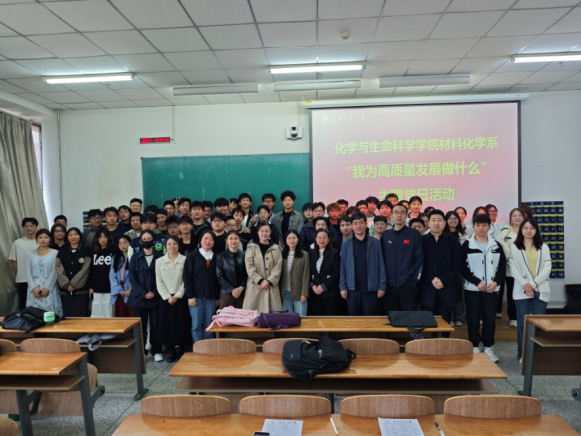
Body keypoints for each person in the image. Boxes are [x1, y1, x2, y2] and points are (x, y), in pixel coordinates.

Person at [461, 213, 506, 363]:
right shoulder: (467, 245)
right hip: (473, 289)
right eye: (478, 225)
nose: (481, 228)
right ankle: (474, 346)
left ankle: (488, 347)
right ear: (473, 227)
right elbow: (462, 267)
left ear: (489, 227)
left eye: (484, 225)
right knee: (473, 318)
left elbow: (502, 267)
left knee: (489, 319)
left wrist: (496, 282)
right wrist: (476, 282)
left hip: (492, 289)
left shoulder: (496, 245)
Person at [510, 218, 552, 362]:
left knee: (538, 322)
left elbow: (547, 268)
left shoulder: (544, 247)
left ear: (536, 230)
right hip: (521, 289)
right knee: (522, 322)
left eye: (532, 228)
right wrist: (526, 285)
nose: (528, 231)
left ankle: (537, 354)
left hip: (540, 287)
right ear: (521, 230)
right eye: (525, 228)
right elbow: (513, 268)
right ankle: (523, 354)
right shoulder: (515, 247)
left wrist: (532, 284)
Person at [418, 210, 461, 336]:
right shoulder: (421, 240)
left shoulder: (453, 241)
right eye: (433, 220)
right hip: (427, 287)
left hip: (447, 287)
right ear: (428, 223)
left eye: (439, 220)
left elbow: (456, 264)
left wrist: (443, 280)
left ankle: (444, 346)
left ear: (444, 223)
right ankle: (430, 346)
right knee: (428, 325)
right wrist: (431, 279)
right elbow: (417, 264)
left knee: (445, 324)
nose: (436, 223)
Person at [339, 212, 386, 316]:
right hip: (352, 289)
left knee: (370, 319)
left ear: (366, 224)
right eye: (355, 223)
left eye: (361, 223)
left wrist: (382, 286)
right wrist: (343, 287)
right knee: (354, 320)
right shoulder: (346, 243)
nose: (358, 226)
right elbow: (343, 267)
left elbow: (381, 265)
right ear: (352, 226)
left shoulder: (375, 242)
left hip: (371, 288)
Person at [128, 230, 163, 361]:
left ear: (153, 241)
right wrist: (143, 293)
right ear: (140, 241)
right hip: (139, 298)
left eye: (149, 239)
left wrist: (154, 292)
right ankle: (141, 351)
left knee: (156, 326)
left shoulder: (160, 257)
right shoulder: (135, 258)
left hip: (156, 297)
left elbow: (163, 278)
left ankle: (157, 350)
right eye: (144, 239)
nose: (146, 241)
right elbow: (132, 278)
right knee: (140, 327)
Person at [381, 204, 423, 312]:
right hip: (389, 286)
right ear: (392, 215)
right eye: (396, 212)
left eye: (402, 212)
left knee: (409, 317)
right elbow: (381, 260)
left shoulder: (414, 234)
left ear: (406, 215)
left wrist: (414, 281)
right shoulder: (385, 235)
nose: (399, 215)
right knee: (390, 317)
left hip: (408, 285)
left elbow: (419, 258)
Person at [156, 235, 189, 362]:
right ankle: (171, 350)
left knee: (182, 323)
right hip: (165, 299)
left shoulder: (185, 260)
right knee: (166, 325)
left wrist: (177, 295)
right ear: (165, 246)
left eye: (174, 243)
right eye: (169, 244)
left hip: (181, 297)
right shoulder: (159, 261)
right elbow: (158, 281)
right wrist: (167, 296)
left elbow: (186, 280)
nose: (172, 246)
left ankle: (181, 349)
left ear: (179, 245)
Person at [183, 231, 220, 343]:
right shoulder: (192, 256)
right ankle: (197, 347)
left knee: (209, 324)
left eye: (211, 239)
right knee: (196, 325)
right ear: (200, 240)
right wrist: (190, 296)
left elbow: (219, 279)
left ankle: (207, 348)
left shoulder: (217, 257)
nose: (208, 241)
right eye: (205, 238)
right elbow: (187, 277)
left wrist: (217, 297)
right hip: (196, 297)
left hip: (211, 297)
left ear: (214, 242)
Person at [243, 223, 284, 313]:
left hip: (271, 286)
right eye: (262, 231)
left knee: (273, 317)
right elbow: (249, 266)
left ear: (270, 232)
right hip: (255, 286)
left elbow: (278, 267)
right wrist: (260, 280)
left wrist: (269, 281)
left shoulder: (276, 248)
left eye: (266, 231)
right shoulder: (251, 248)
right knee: (253, 317)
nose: (264, 233)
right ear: (258, 232)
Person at [26, 229, 63, 316]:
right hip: (34, 286)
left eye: (46, 237)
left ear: (50, 239)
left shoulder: (55, 253)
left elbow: (55, 271)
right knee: (33, 314)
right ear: (36, 239)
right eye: (40, 237)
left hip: (50, 286)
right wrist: (33, 288)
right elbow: (28, 272)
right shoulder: (30, 254)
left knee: (50, 313)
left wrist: (47, 287)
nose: (43, 240)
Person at [56, 227, 91, 317]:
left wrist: (74, 284)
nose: (73, 237)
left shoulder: (86, 250)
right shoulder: (62, 250)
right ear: (67, 237)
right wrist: (66, 284)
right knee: (68, 316)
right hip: (65, 290)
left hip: (81, 289)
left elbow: (85, 269)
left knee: (82, 314)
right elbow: (59, 267)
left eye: (75, 234)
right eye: (70, 235)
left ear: (80, 236)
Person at [499, 208, 526, 327]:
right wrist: (513, 261)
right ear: (510, 217)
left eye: (520, 215)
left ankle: (524, 316)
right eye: (514, 215)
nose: (517, 218)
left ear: (524, 217)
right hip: (510, 268)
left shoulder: (528, 229)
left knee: (525, 292)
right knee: (511, 292)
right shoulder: (505, 231)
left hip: (526, 268)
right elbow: (504, 247)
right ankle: (513, 317)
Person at [444, 210, 468, 327]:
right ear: (446, 221)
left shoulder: (464, 234)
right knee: (448, 294)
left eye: (455, 218)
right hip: (446, 268)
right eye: (450, 218)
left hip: (460, 268)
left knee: (459, 294)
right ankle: (450, 317)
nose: (453, 220)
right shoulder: (442, 234)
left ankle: (459, 317)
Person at [310, 228, 340, 316]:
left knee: (330, 320)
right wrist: (313, 286)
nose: (321, 240)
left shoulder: (335, 253)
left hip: (330, 293)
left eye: (324, 237)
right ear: (315, 239)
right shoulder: (311, 253)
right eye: (319, 237)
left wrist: (324, 286)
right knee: (318, 319)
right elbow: (309, 273)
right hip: (315, 293)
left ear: (328, 239)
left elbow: (336, 273)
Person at [279, 230, 310, 316]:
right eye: (289, 238)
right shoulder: (281, 255)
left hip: (299, 292)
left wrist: (304, 293)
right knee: (287, 318)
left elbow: (306, 275)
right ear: (285, 240)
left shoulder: (304, 255)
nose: (291, 240)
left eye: (294, 238)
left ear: (298, 239)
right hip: (285, 292)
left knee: (301, 317)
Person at [216, 230, 247, 309]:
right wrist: (231, 290)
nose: (233, 241)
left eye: (236, 238)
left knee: (241, 316)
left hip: (242, 293)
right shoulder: (221, 256)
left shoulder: (244, 255)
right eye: (230, 238)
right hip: (226, 293)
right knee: (225, 316)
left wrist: (241, 287)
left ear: (240, 240)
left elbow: (247, 273)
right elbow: (219, 276)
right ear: (226, 241)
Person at [89, 228, 115, 318]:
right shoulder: (93, 251)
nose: (102, 239)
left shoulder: (114, 250)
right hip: (97, 287)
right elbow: (91, 270)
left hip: (110, 286)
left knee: (109, 312)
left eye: (105, 237)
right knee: (97, 312)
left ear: (109, 238)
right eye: (100, 237)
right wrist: (91, 286)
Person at [110, 235, 134, 317]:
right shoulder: (115, 257)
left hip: (131, 287)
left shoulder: (134, 257)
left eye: (125, 243)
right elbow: (112, 275)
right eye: (120, 244)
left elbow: (136, 276)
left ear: (130, 243)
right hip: (120, 288)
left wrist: (130, 289)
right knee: (120, 313)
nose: (123, 245)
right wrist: (119, 289)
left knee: (132, 314)